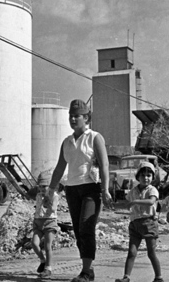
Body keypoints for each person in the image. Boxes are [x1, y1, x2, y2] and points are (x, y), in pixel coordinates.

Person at [46, 99, 113, 282]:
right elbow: (60, 168)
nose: (73, 119)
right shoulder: (67, 142)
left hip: (91, 188)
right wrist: (50, 190)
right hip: (72, 190)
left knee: (86, 226)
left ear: (86, 118)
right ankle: (87, 270)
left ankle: (87, 271)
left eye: (77, 116)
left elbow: (105, 164)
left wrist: (105, 189)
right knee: (77, 229)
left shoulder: (94, 137)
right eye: (71, 116)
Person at [115, 162, 164, 282]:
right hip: (135, 224)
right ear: (138, 177)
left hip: (149, 223)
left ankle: (159, 277)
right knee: (131, 252)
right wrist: (112, 203)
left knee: (151, 253)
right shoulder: (133, 191)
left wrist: (135, 201)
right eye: (143, 175)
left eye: (149, 175)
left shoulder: (153, 190)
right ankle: (126, 277)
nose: (146, 178)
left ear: (153, 177)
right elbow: (126, 202)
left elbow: (151, 201)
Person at [31, 170, 59, 278]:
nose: (42, 189)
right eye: (40, 186)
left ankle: (48, 268)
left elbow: (54, 208)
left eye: (45, 186)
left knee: (48, 246)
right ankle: (42, 260)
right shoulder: (38, 195)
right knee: (34, 243)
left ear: (50, 186)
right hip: (38, 222)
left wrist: (48, 201)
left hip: (49, 222)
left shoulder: (54, 196)